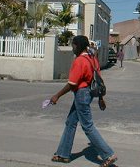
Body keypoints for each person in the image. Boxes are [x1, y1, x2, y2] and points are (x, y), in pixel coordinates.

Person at [50, 35, 117, 167]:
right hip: (88, 94)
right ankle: (63, 155)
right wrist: (101, 98)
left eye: (73, 45)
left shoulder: (80, 61)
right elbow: (98, 79)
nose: (72, 48)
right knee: (71, 122)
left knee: (87, 126)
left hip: (81, 94)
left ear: (79, 45)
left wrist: (57, 95)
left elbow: (72, 84)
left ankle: (108, 154)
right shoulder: (92, 58)